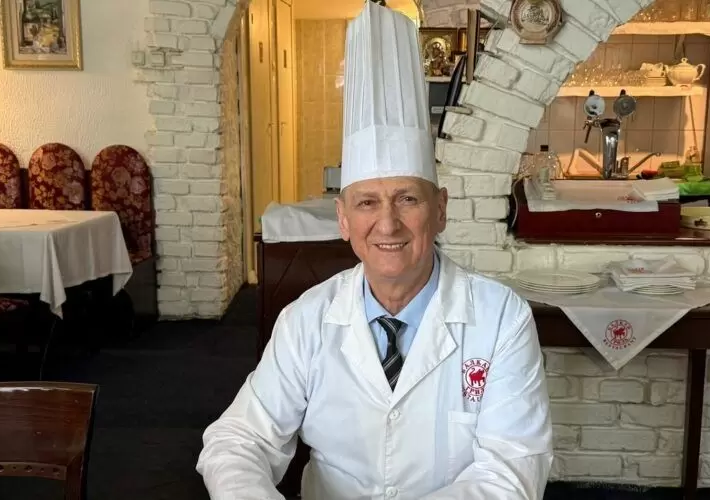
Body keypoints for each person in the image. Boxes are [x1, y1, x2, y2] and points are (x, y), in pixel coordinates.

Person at [195, 2, 553, 499]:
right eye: (367, 202)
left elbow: (511, 472)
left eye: (408, 199)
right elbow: (237, 440)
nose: (387, 223)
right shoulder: (307, 319)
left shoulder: (500, 319)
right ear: (343, 218)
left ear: (440, 209)